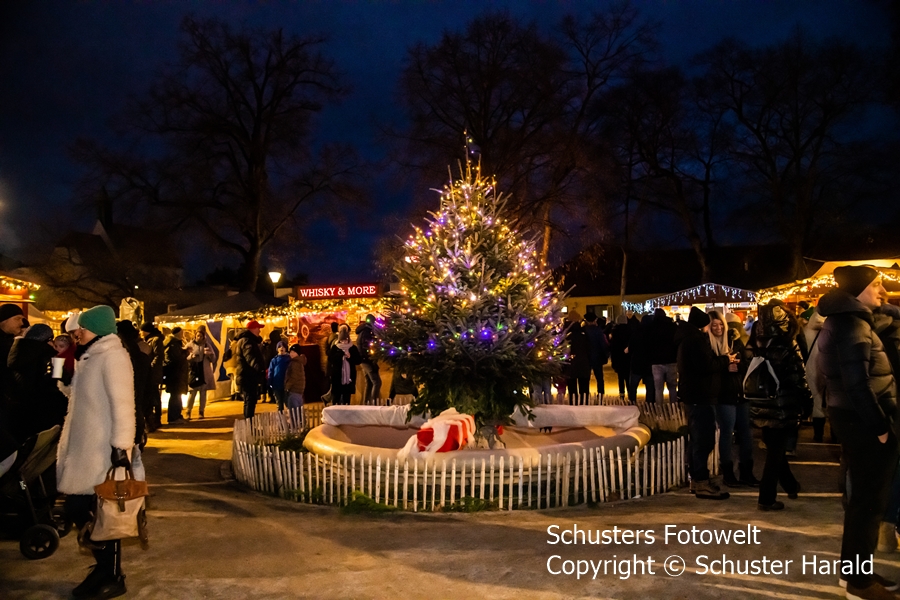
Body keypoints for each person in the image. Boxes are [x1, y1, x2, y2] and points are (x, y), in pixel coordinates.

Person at [816, 266, 900, 598]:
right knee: (869, 505)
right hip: (865, 423)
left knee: (861, 503)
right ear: (858, 290)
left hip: (854, 420)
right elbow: (857, 384)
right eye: (876, 284)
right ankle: (859, 584)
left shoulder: (847, 319)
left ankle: (853, 572)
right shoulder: (851, 324)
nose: (883, 291)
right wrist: (881, 429)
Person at [57, 305, 135, 599]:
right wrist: (62, 382)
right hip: (86, 450)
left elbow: (123, 404)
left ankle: (111, 574)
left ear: (96, 329)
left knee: (103, 514)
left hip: (102, 451)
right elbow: (83, 398)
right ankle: (103, 569)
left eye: (82, 328)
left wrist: (121, 446)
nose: (77, 333)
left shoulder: (113, 356)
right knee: (85, 511)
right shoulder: (91, 356)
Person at [745, 301, 810, 511]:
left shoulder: (757, 341)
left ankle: (790, 484)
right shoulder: (787, 343)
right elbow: (798, 375)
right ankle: (766, 498)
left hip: (761, 401)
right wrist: (807, 400)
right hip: (783, 403)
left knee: (775, 448)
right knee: (775, 452)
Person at [676, 307, 731, 500]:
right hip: (700, 396)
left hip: (695, 395)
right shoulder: (696, 341)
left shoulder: (686, 339)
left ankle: (697, 480)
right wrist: (725, 360)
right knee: (703, 439)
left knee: (697, 439)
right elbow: (706, 366)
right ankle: (701, 481)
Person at [707, 311, 755, 488]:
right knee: (727, 432)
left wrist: (739, 366)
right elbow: (708, 369)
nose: (718, 328)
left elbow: (747, 364)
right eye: (714, 325)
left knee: (746, 432)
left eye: (721, 324)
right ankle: (728, 472)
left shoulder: (734, 341)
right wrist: (725, 366)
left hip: (740, 392)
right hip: (724, 395)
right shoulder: (708, 345)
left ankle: (747, 471)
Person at [6, 323, 68, 442]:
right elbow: (61, 383)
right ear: (48, 340)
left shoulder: (16, 354)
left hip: (19, 414)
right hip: (46, 415)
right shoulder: (50, 358)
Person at [116, 320, 155, 451]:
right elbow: (149, 387)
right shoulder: (141, 357)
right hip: (136, 409)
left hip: (124, 410)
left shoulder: (121, 358)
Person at [235, 320, 266, 418]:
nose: (259, 330)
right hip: (247, 376)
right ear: (253, 329)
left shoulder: (249, 340)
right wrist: (260, 369)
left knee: (250, 400)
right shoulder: (247, 341)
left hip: (248, 375)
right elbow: (251, 358)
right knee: (250, 400)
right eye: (258, 328)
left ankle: (249, 422)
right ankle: (249, 423)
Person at [648, 308, 678, 403]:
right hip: (671, 360)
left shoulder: (651, 327)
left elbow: (649, 344)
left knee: (658, 388)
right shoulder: (672, 326)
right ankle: (673, 407)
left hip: (656, 361)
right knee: (672, 387)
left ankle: (659, 409)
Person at [186, 327, 216, 419]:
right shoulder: (190, 345)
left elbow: (213, 359)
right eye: (198, 335)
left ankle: (201, 411)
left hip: (204, 372)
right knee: (192, 392)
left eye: (201, 336)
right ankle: (188, 411)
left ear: (203, 336)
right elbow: (184, 358)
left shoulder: (207, 345)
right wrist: (191, 357)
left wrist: (209, 355)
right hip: (194, 372)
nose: (199, 337)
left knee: (203, 392)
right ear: (195, 336)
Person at [139, 323, 165, 430]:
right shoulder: (148, 340)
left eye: (142, 330)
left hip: (153, 373)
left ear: (146, 331)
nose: (140, 332)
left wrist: (151, 366)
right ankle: (153, 419)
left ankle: (157, 419)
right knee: (152, 396)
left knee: (154, 396)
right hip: (149, 372)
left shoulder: (155, 340)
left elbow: (158, 355)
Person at [328, 325, 361, 405]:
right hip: (338, 377)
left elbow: (358, 360)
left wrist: (350, 357)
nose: (344, 342)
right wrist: (340, 355)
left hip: (349, 379)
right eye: (342, 340)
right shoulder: (335, 347)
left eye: (345, 340)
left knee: (347, 398)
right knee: (336, 398)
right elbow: (331, 359)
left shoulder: (353, 348)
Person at [626, 313, 656, 404]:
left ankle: (632, 402)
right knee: (650, 387)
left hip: (637, 362)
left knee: (633, 386)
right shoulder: (653, 334)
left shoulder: (636, 333)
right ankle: (649, 404)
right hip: (649, 363)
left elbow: (631, 348)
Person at [564, 311, 591, 403]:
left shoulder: (566, 335)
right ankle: (584, 403)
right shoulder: (584, 333)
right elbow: (589, 348)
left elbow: (563, 350)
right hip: (584, 364)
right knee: (584, 387)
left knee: (572, 388)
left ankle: (573, 403)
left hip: (570, 364)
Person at [162, 327, 188, 423]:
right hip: (175, 375)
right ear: (177, 334)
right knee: (175, 396)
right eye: (181, 333)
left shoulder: (173, 343)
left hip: (175, 374)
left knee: (177, 396)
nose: (183, 335)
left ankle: (177, 415)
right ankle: (173, 417)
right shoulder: (173, 344)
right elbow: (176, 359)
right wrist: (185, 353)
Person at [583, 312, 610, 401]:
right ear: (595, 320)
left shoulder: (584, 330)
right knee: (599, 378)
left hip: (587, 357)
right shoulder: (598, 331)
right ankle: (600, 395)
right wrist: (606, 354)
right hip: (597, 357)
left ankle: (585, 396)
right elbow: (603, 344)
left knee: (586, 378)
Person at [356, 314, 382, 404]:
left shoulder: (362, 330)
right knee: (377, 382)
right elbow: (365, 348)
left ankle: (366, 403)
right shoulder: (367, 332)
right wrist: (371, 360)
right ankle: (375, 403)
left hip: (363, 360)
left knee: (369, 382)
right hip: (367, 360)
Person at [609, 315, 631, 400]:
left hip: (618, 357)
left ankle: (621, 394)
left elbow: (613, 347)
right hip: (628, 358)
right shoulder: (630, 330)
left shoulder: (615, 331)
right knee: (628, 377)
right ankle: (630, 394)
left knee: (620, 377)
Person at [267, 342, 291, 412]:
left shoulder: (288, 359)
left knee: (288, 402)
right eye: (279, 347)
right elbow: (271, 371)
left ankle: (290, 416)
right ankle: (280, 416)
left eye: (283, 347)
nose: (281, 348)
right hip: (276, 385)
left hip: (286, 385)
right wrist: (269, 382)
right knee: (279, 403)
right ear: (277, 349)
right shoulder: (274, 360)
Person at [284, 343, 308, 411]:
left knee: (294, 413)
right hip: (299, 390)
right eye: (290, 352)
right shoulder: (299, 362)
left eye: (293, 352)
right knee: (298, 412)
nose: (291, 354)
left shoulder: (295, 363)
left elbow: (293, 377)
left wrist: (287, 388)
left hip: (293, 390)